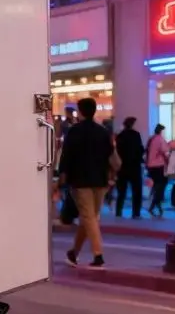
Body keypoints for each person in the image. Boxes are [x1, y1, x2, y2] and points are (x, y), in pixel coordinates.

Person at [59, 97, 114, 268]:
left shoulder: (74, 131)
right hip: (101, 180)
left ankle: (98, 255)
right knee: (89, 217)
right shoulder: (102, 131)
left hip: (80, 179)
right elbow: (110, 155)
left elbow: (67, 155)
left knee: (89, 217)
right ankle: (74, 253)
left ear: (80, 112)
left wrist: (62, 176)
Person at [114, 116, 145, 219]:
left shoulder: (120, 136)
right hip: (134, 166)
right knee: (137, 191)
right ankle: (136, 212)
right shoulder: (136, 135)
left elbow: (117, 151)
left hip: (122, 167)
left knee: (121, 191)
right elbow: (140, 149)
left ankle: (118, 211)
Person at [146, 124, 171, 218]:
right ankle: (155, 204)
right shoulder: (160, 139)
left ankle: (155, 205)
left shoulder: (151, 139)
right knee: (161, 185)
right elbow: (165, 151)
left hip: (151, 165)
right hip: (159, 165)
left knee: (157, 185)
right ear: (161, 131)